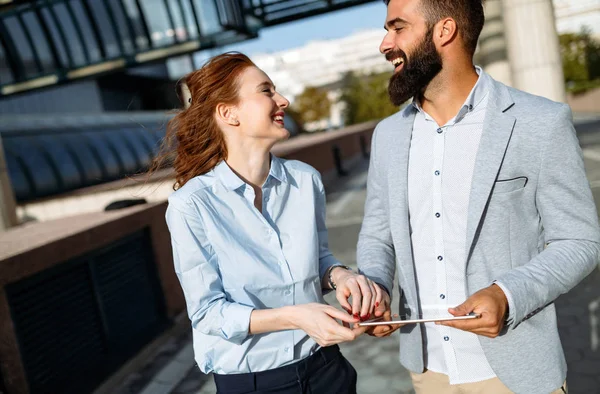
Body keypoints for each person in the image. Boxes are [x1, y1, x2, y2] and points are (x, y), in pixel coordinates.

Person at [356, 0, 600, 393]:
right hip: (428, 372)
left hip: (515, 372)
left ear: (444, 30)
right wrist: (376, 288)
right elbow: (377, 234)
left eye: (398, 28)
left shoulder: (540, 121)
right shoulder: (388, 136)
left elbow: (580, 241)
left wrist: (507, 293)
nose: (386, 43)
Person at [161, 52, 382, 394]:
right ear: (228, 113)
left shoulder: (305, 180)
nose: (283, 100)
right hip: (253, 384)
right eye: (266, 91)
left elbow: (318, 258)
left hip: (326, 369)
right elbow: (207, 313)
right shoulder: (191, 204)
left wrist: (341, 276)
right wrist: (295, 316)